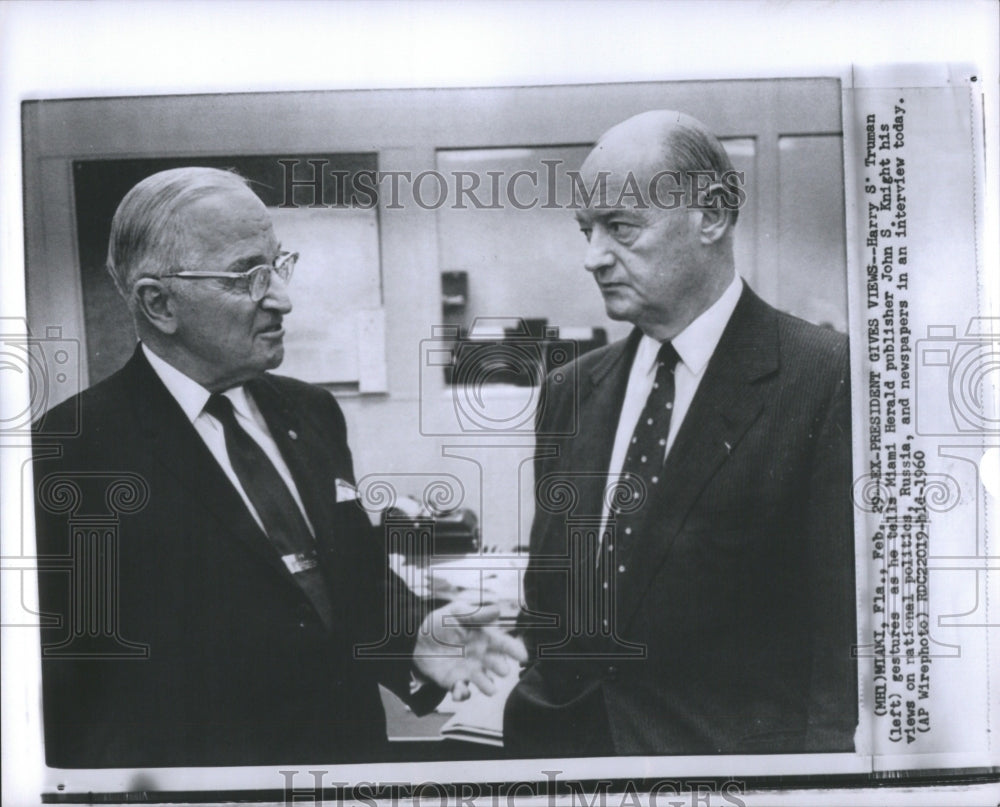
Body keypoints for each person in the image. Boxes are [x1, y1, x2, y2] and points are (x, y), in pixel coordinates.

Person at [32, 167, 525, 768]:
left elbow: (346, 586)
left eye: (278, 265)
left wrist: (413, 639)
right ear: (158, 303)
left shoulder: (310, 412)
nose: (282, 298)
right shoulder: (75, 450)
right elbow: (69, 688)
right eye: (246, 276)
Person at [504, 110, 857, 757]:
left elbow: (843, 650)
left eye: (620, 227)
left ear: (713, 215)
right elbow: (548, 591)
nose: (592, 258)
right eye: (587, 230)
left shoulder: (827, 379)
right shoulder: (570, 390)